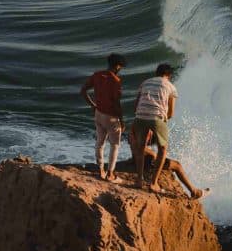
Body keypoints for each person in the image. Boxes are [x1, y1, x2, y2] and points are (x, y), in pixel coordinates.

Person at [132, 63, 178, 192]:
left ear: (156, 73)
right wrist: (160, 122)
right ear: (169, 75)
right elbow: (170, 113)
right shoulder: (171, 86)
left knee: (140, 148)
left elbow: (136, 105)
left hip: (139, 117)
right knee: (162, 149)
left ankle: (139, 180)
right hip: (157, 118)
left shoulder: (145, 83)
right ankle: (153, 183)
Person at [81, 53, 126, 182]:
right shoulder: (115, 80)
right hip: (111, 117)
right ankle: (110, 174)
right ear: (117, 66)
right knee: (115, 145)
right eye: (121, 67)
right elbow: (116, 103)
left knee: (100, 142)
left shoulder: (97, 75)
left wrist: (93, 105)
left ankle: (100, 170)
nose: (120, 69)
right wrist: (122, 121)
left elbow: (83, 90)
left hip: (98, 114)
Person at [128, 125, 207, 200]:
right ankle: (194, 192)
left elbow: (133, 144)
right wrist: (154, 154)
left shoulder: (137, 123)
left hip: (141, 159)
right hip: (147, 161)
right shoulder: (145, 125)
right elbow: (139, 147)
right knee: (177, 165)